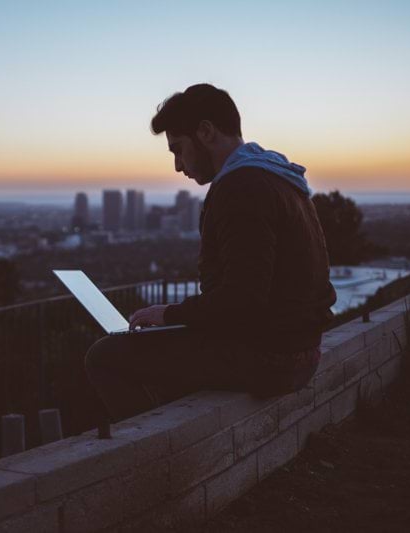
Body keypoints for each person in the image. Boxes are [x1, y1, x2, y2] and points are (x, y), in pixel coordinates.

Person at [84, 83, 337, 423]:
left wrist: (170, 315)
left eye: (178, 149)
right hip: (299, 351)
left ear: (205, 132)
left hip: (272, 359)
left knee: (104, 356)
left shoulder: (241, 187)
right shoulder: (279, 177)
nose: (177, 165)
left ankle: (160, 451)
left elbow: (243, 300)